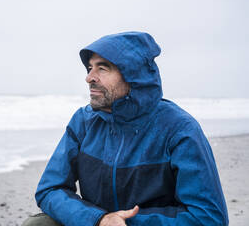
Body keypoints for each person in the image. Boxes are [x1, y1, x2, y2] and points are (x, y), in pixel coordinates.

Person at [22, 32, 228, 226]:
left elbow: (209, 217)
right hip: (95, 223)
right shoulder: (84, 121)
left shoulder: (179, 129)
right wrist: (98, 219)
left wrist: (126, 222)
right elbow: (50, 189)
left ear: (134, 75)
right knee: (38, 224)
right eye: (89, 68)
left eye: (102, 68)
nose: (89, 77)